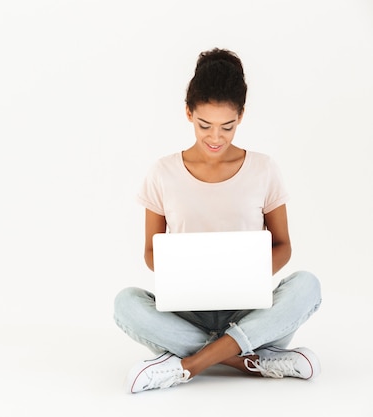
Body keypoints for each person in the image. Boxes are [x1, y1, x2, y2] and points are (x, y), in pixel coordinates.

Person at [113, 48, 322, 394]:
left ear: (241, 116)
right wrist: (185, 272)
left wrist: (246, 275)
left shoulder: (263, 169)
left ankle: (188, 363)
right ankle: (251, 358)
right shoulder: (162, 173)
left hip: (248, 310)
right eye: (204, 125)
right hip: (185, 312)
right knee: (126, 303)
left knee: (308, 285)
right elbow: (151, 251)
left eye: (227, 126)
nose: (215, 138)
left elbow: (283, 245)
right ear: (188, 113)